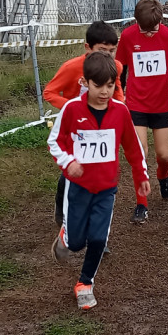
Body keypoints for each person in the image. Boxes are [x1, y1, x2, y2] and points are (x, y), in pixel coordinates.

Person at [48, 51, 151, 310]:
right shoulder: (72, 109)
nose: (104, 92)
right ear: (85, 83)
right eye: (98, 86)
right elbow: (55, 141)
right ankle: (65, 237)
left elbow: (133, 147)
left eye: (110, 86)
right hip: (78, 188)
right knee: (76, 243)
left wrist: (141, 176)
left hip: (106, 188)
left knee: (98, 239)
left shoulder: (120, 112)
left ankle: (85, 284)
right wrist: (69, 162)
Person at [115, 0, 168, 225]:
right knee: (139, 154)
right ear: (136, 22)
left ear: (161, 20)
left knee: (163, 155)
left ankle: (163, 175)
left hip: (161, 106)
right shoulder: (128, 37)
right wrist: (118, 96)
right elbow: (121, 71)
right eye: (144, 29)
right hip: (135, 105)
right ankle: (142, 204)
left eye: (153, 29)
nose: (149, 34)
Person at [43, 21, 125, 229]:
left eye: (111, 51)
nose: (107, 56)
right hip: (75, 129)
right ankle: (63, 207)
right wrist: (72, 107)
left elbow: (118, 93)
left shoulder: (115, 67)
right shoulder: (72, 67)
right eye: (102, 50)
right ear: (87, 48)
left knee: (101, 171)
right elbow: (49, 92)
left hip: (102, 127)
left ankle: (98, 227)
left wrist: (119, 108)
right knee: (71, 170)